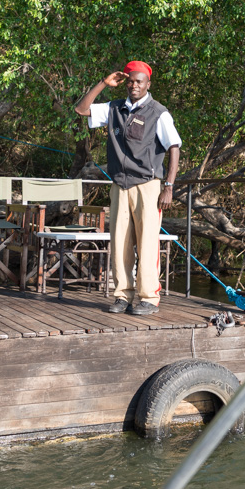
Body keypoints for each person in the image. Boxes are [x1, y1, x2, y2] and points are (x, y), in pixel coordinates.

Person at [74, 61, 181, 315]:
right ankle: (122, 295)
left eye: (139, 81)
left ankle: (149, 298)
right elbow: (81, 109)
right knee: (120, 242)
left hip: (148, 185)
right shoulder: (114, 108)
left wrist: (169, 186)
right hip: (119, 185)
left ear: (148, 84)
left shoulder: (159, 112)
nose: (134, 85)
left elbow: (174, 148)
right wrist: (103, 83)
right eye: (131, 81)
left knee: (147, 243)